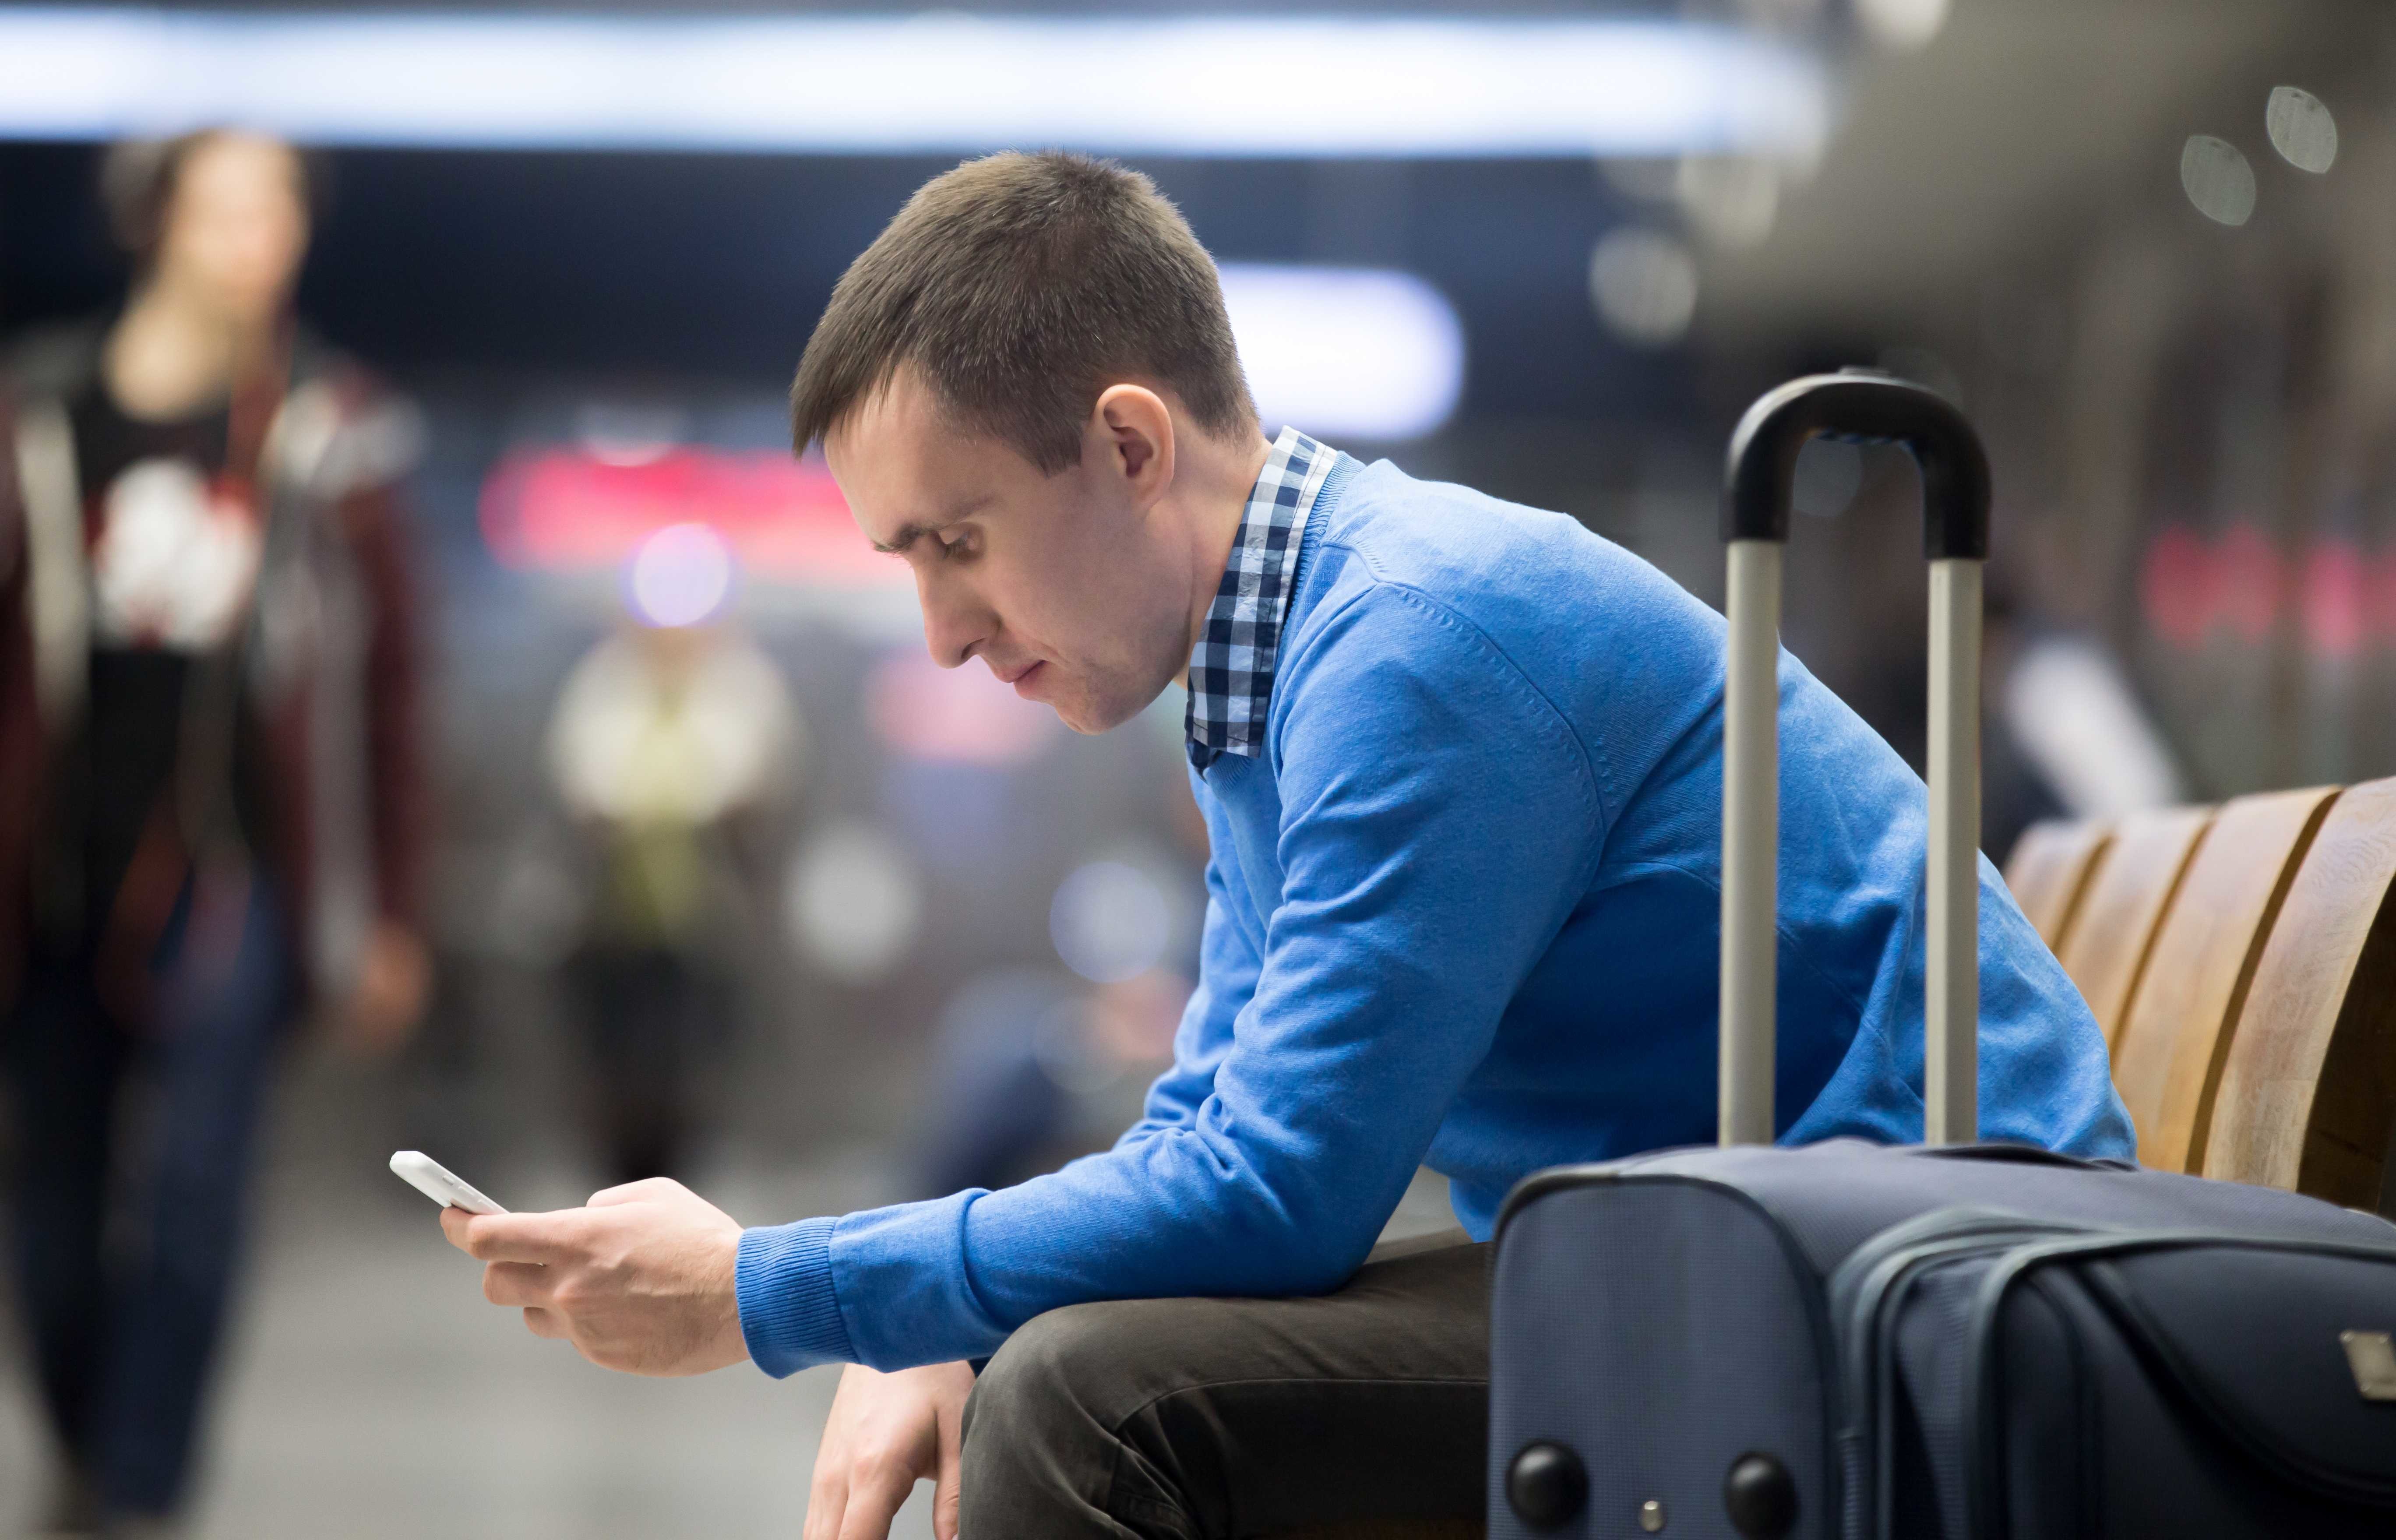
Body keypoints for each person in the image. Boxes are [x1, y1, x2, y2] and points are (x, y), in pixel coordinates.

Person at [437, 152, 2132, 1539]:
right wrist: (945, 1302)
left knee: (1095, 1400)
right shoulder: (1279, 656)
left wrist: (770, 1287)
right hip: (1742, 1243)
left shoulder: (1419, 644)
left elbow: (1273, 1199)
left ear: (1127, 444)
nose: (946, 631)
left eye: (960, 542)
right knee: (1058, 1349)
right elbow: (1214, 1117)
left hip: (1905, 1287)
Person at [0, 129, 429, 1537]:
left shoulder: (331, 422)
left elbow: (389, 685)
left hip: (238, 872)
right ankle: (83, 1442)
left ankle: (139, 1491)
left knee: (197, 1193)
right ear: (154, 222)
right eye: (229, 206)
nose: (261, 238)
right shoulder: (43, 417)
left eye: (283, 212)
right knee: (50, 1217)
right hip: (55, 873)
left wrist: (388, 913)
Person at [546, 606, 801, 1184]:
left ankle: (680, 1184)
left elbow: (760, 793)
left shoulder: (743, 691)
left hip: (706, 924)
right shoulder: (602, 690)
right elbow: (580, 792)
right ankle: (618, 1179)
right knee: (613, 1065)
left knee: (692, 1066)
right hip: (609, 923)